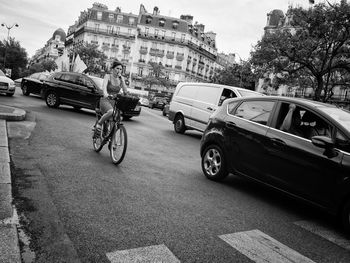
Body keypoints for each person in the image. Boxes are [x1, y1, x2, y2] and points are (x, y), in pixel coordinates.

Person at [95, 60, 128, 133]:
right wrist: (106, 94)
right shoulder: (108, 76)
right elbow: (104, 87)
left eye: (120, 69)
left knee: (116, 120)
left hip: (114, 101)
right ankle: (99, 124)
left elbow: (125, 92)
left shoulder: (121, 79)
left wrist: (122, 81)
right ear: (113, 69)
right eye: (117, 68)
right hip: (106, 99)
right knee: (111, 112)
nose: (119, 71)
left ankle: (111, 139)